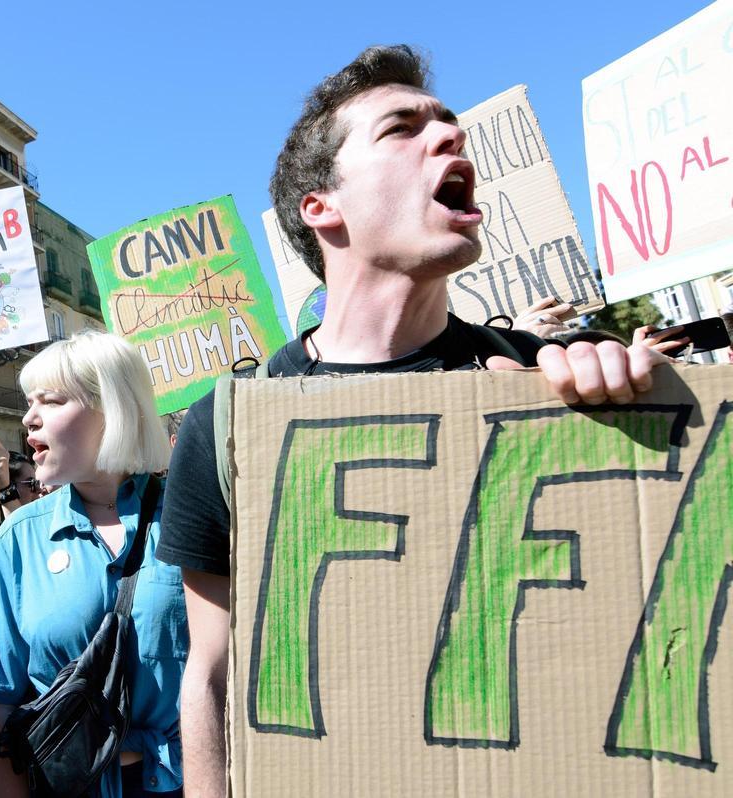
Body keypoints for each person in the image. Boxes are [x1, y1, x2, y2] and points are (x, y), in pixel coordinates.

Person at [155, 45, 671, 797]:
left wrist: (634, 419)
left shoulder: (543, 380)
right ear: (321, 207)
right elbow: (211, 673)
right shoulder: (228, 426)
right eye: (401, 129)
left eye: (451, 127)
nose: (450, 138)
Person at [0, 331, 184, 797]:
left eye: (51, 400)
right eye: (29, 402)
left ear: (112, 406)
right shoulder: (18, 538)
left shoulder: (193, 518)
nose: (28, 418)